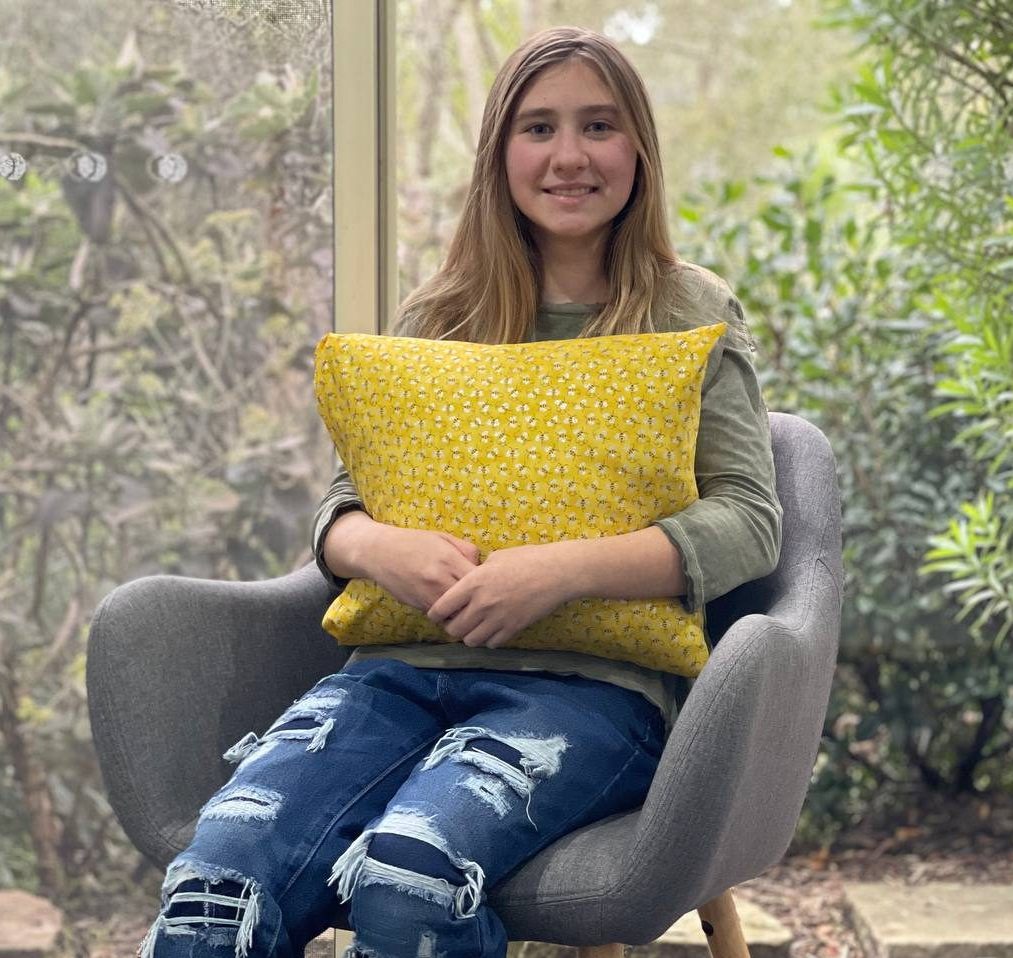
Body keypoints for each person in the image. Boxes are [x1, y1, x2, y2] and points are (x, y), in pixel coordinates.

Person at [138, 24, 782, 958]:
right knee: (213, 888)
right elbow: (342, 504)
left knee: (411, 881)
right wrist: (377, 548)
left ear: (637, 148)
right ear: (499, 155)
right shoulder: (438, 317)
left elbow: (750, 523)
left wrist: (558, 573)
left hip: (593, 694)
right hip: (395, 677)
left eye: (598, 126)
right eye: (537, 129)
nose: (568, 155)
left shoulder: (688, 309)